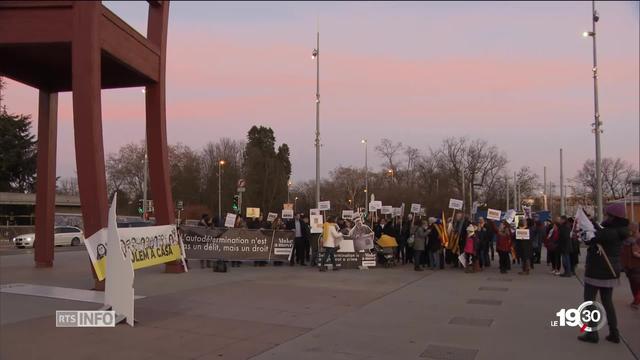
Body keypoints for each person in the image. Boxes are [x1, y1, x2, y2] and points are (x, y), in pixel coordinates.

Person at [578, 203, 629, 344]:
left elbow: (590, 239)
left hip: (596, 271)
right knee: (607, 302)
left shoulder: (608, 232)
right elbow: (600, 231)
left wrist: (585, 227)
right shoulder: (621, 230)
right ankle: (614, 333)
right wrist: (591, 221)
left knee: (589, 302)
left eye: (607, 214)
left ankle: (592, 333)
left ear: (613, 217)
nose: (606, 216)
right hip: (611, 271)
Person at [621, 222, 640, 310]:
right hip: (634, 265)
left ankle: (636, 300)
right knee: (635, 283)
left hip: (629, 266)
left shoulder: (624, 241)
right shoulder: (635, 240)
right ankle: (636, 300)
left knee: (634, 284)